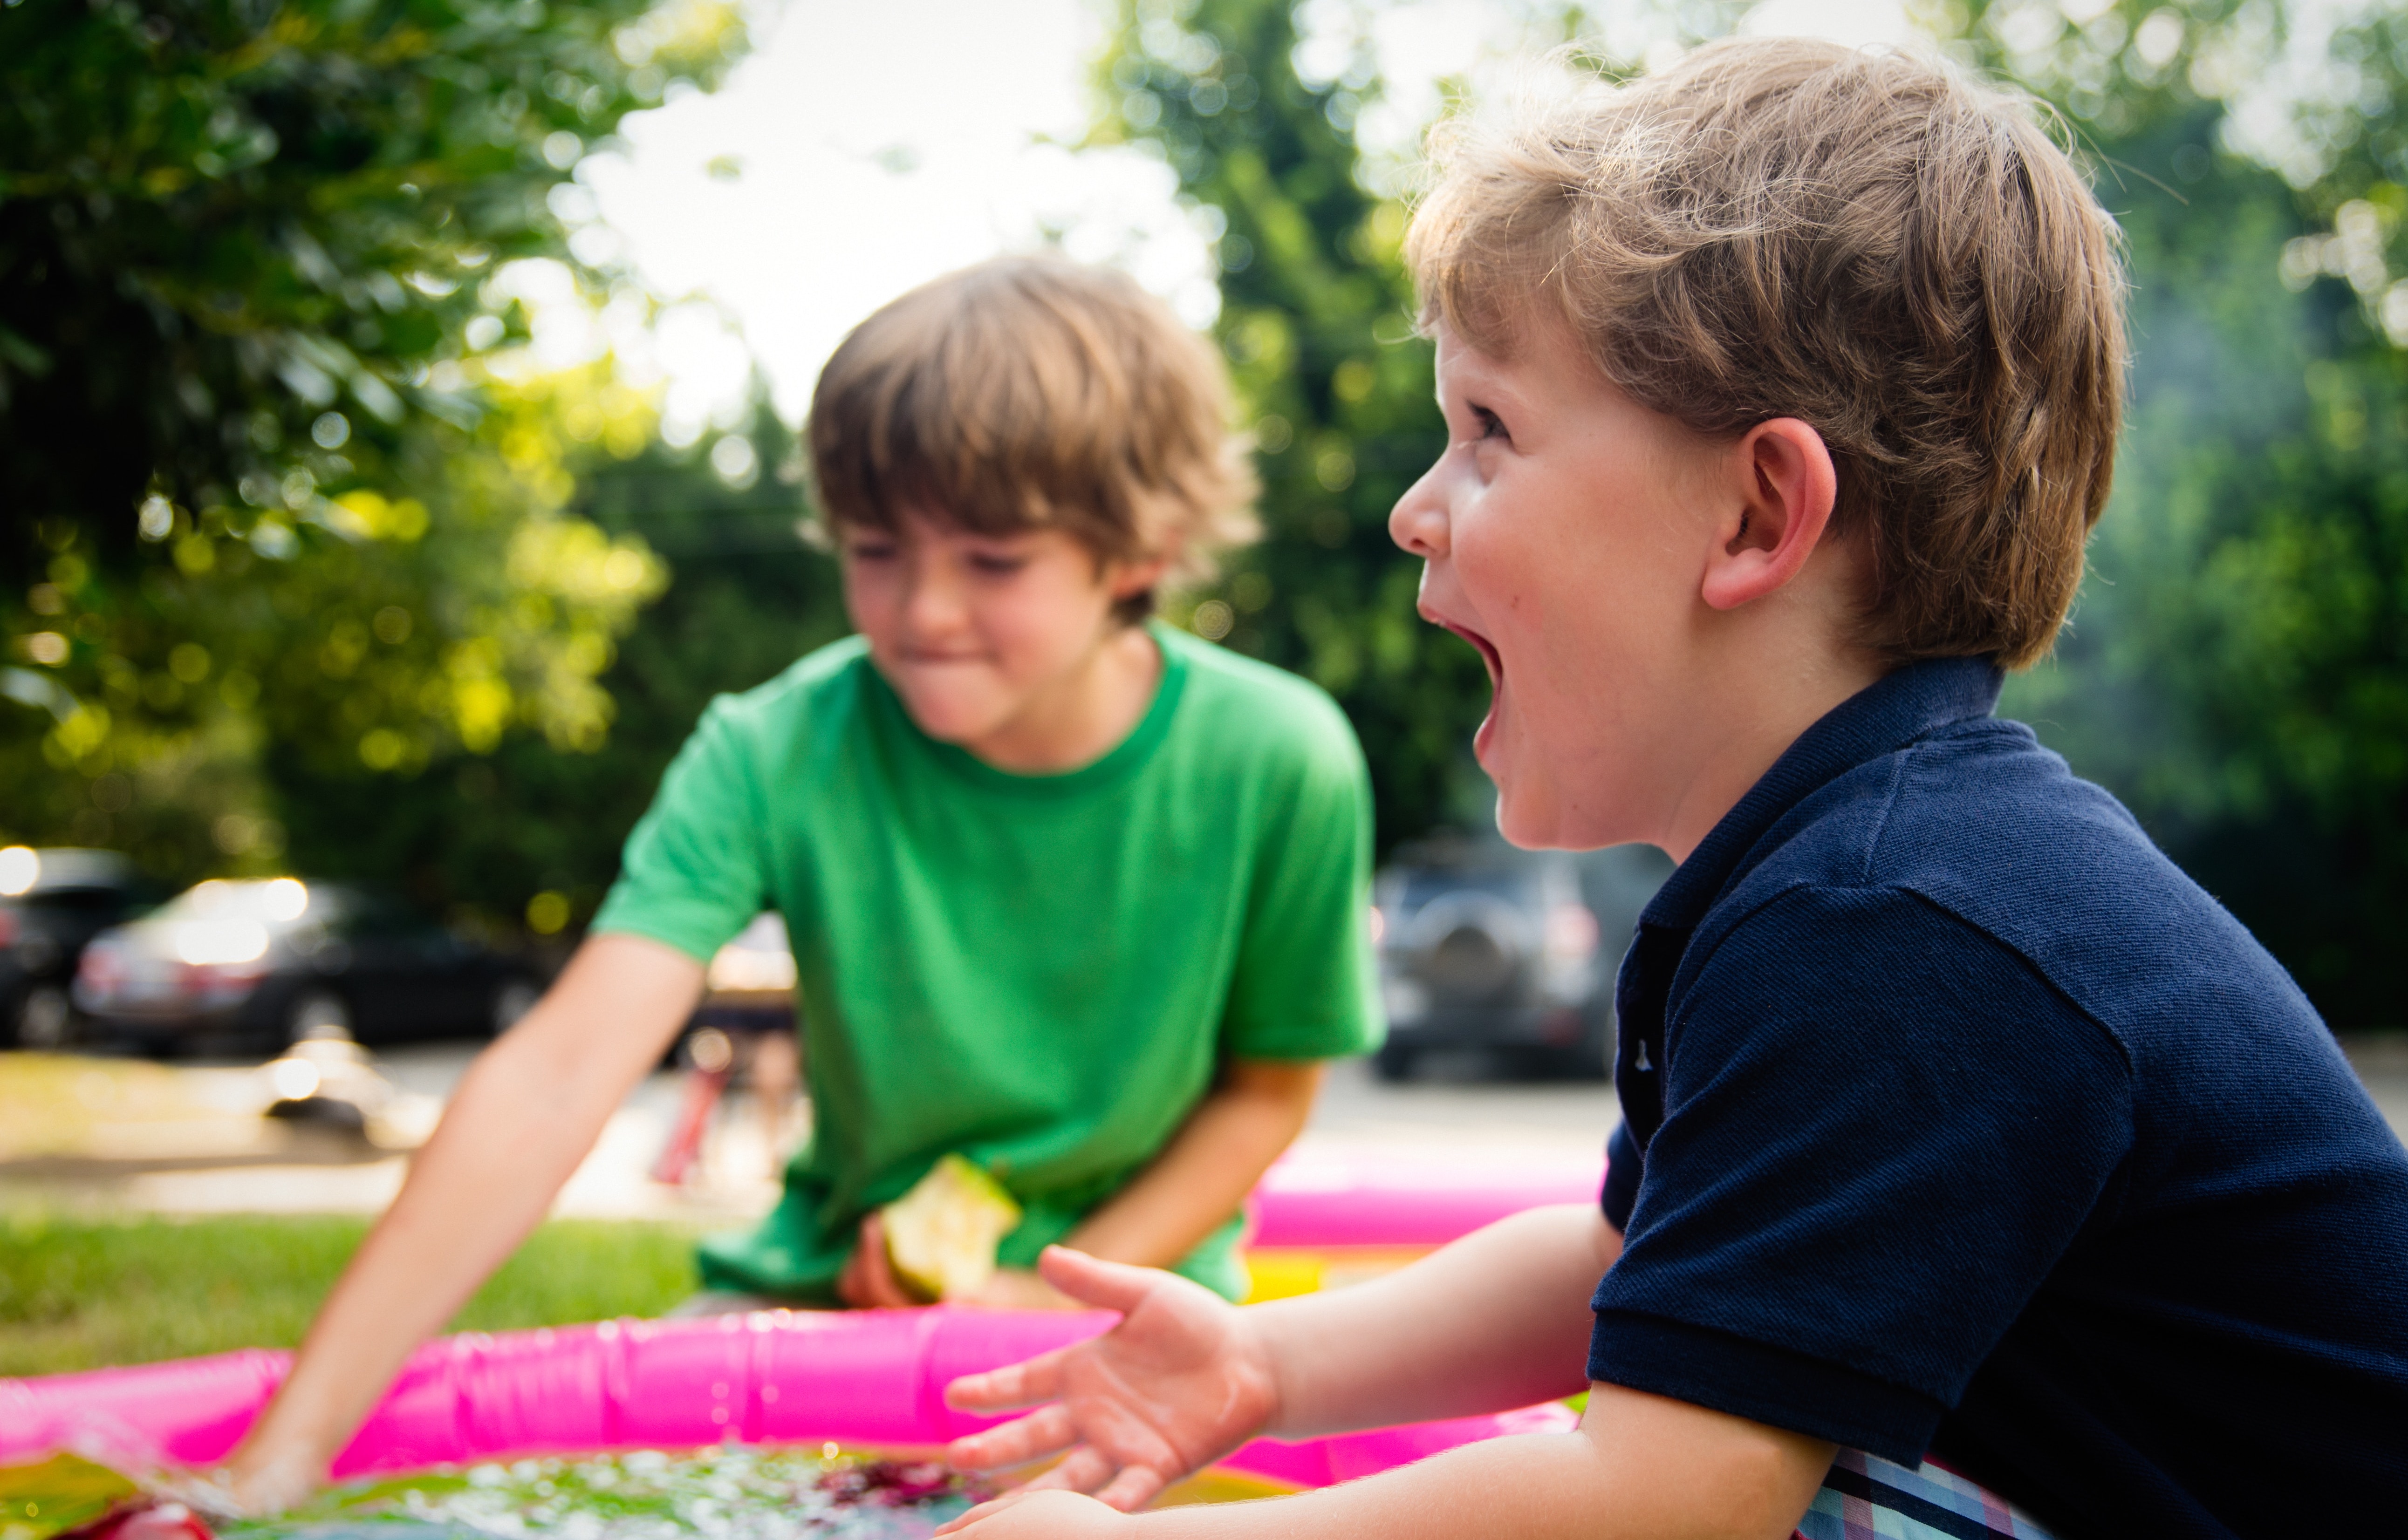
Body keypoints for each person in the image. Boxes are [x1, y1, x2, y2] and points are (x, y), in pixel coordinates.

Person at [927, 40, 2408, 1540]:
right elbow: (1620, 1263)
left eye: (1490, 431)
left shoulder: (1902, 926)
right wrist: (1261, 1361)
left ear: (1759, 511)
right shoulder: (1847, 874)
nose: (1412, 509)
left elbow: (1665, 1503)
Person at [218, 256, 1383, 1509]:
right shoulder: (774, 746)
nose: (924, 610)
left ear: (1139, 548)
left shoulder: (1281, 758)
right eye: (876, 550)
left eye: (993, 560)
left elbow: (1265, 1093)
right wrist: (280, 1455)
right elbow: (556, 1074)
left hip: (1134, 1321)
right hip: (816, 1304)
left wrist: (1046, 1286)